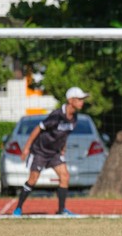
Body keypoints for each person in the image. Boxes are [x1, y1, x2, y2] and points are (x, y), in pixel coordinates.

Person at [13, 87, 89, 216]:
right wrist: (26, 148)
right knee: (33, 180)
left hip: (54, 153)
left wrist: (63, 148)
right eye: (80, 99)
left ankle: (61, 210)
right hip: (40, 151)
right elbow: (38, 128)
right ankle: (18, 208)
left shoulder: (74, 117)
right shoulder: (57, 115)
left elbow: (64, 134)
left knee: (65, 176)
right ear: (71, 100)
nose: (82, 102)